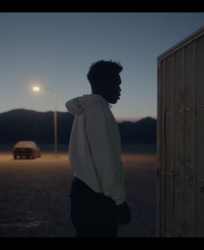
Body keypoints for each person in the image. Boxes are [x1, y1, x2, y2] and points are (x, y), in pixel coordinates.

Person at [65, 60, 131, 237]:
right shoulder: (98, 111)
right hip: (96, 199)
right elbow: (106, 162)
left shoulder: (85, 109)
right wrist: (120, 201)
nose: (119, 90)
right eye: (117, 84)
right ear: (104, 84)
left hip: (82, 192)